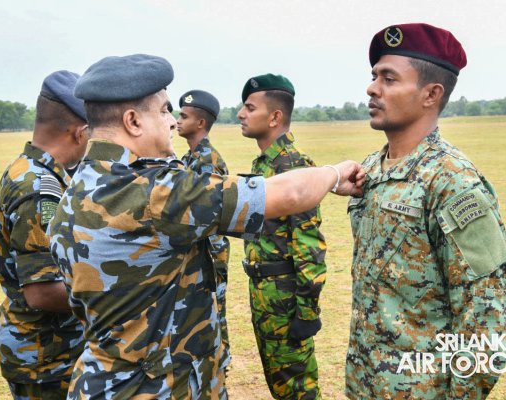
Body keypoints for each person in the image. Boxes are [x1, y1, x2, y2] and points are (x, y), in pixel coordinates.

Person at [47, 54, 365, 399]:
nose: (172, 122)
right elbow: (290, 194)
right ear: (133, 121)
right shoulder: (155, 192)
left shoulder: (75, 190)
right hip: (160, 387)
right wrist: (336, 173)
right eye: (164, 111)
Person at [345, 23, 506, 399]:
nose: (372, 88)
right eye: (374, 77)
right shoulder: (370, 169)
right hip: (365, 383)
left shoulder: (453, 181)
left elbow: (490, 320)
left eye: (389, 78)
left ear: (431, 94)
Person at [0, 70, 88, 399]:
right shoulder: (39, 188)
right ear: (80, 133)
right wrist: (113, 296)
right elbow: (42, 291)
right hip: (47, 357)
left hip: (46, 350)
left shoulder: (30, 170)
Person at [237, 73, 326, 400]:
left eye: (250, 108)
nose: (241, 114)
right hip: (264, 294)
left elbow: (309, 245)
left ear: (275, 117)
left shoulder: (294, 165)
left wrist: (306, 313)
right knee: (280, 386)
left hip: (286, 300)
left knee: (297, 390)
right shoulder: (265, 164)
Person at [177, 89, 232, 371]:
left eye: (184, 116)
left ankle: (220, 365)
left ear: (200, 123)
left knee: (214, 311)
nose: (177, 120)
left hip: (210, 252)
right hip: (197, 249)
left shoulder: (208, 160)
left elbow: (207, 213)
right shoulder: (189, 158)